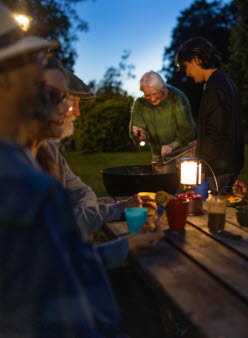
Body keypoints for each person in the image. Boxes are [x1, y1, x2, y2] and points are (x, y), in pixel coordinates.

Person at [0, 2, 122, 335]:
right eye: (26, 62)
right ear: (7, 80)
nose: (32, 73)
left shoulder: (40, 163)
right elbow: (66, 318)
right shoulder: (25, 189)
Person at [28, 55, 163, 269]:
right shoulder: (18, 168)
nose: (76, 112)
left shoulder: (49, 152)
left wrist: (116, 211)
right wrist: (119, 239)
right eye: (69, 102)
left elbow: (82, 193)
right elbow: (51, 257)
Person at [175, 37, 244, 191]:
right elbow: (222, 125)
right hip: (226, 164)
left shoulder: (216, 87)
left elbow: (217, 132)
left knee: (212, 210)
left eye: (186, 67)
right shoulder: (224, 81)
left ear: (195, 60)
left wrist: (202, 163)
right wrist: (202, 141)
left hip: (218, 169)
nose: (187, 73)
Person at [129, 70, 195, 158]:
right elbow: (139, 134)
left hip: (183, 152)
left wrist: (172, 145)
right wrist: (141, 134)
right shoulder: (140, 104)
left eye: (154, 94)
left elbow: (187, 131)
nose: (152, 99)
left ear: (163, 88)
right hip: (158, 154)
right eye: (147, 95)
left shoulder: (177, 98)